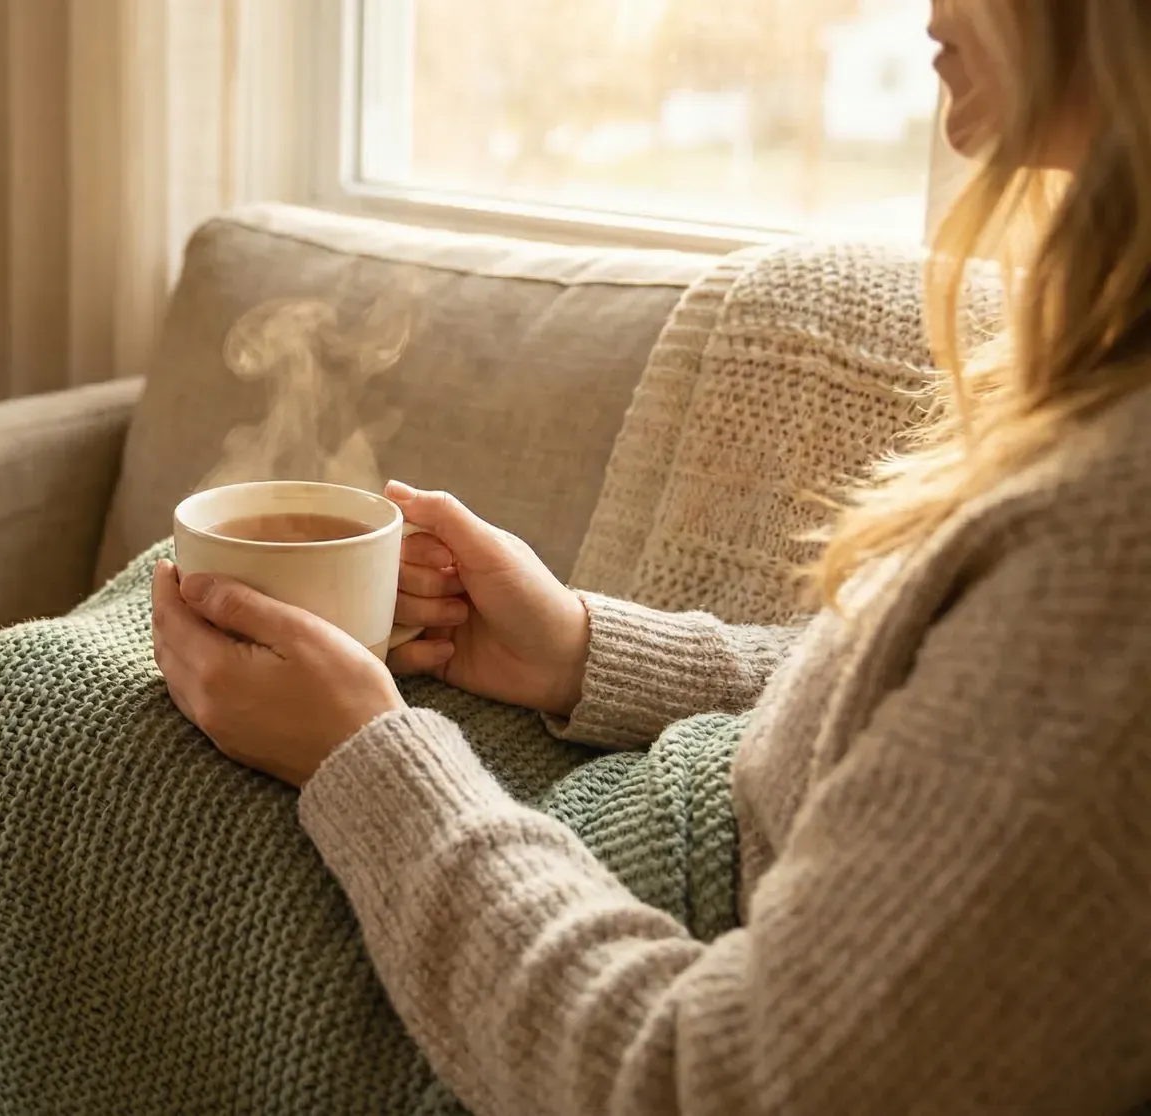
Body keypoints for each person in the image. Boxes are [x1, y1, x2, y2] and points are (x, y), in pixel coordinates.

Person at [151, 1, 1151, 1111]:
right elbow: (933, 713)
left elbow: (703, 1083)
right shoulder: (1110, 403)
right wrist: (583, 653)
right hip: (639, 812)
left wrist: (362, 757)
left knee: (30, 735)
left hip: (605, 953)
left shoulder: (1116, 547)